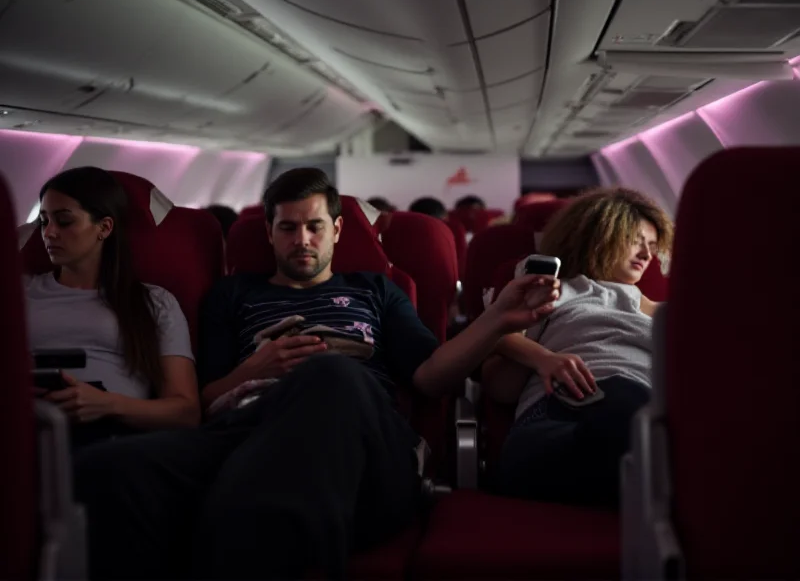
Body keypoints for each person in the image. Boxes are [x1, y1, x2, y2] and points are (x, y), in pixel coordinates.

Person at [73, 167, 560, 580]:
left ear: (338, 230)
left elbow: (431, 378)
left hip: (360, 443)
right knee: (111, 470)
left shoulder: (378, 290)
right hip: (247, 427)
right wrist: (253, 368)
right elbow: (204, 400)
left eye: (314, 227)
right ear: (268, 232)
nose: (301, 240)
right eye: (287, 228)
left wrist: (496, 322)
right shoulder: (232, 295)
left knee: (328, 376)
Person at [482, 187, 673, 507]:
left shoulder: (664, 313)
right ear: (599, 234)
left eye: (652, 247)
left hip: (641, 420)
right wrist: (544, 359)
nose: (646, 255)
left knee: (635, 412)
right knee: (630, 415)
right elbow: (497, 368)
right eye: (637, 241)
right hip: (557, 417)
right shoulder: (552, 288)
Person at [26, 167, 200, 448]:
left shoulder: (153, 302)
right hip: (24, 430)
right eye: (44, 221)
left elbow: (185, 412)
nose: (50, 233)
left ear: (104, 228)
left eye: (64, 221)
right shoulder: (20, 293)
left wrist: (106, 405)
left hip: (114, 441)